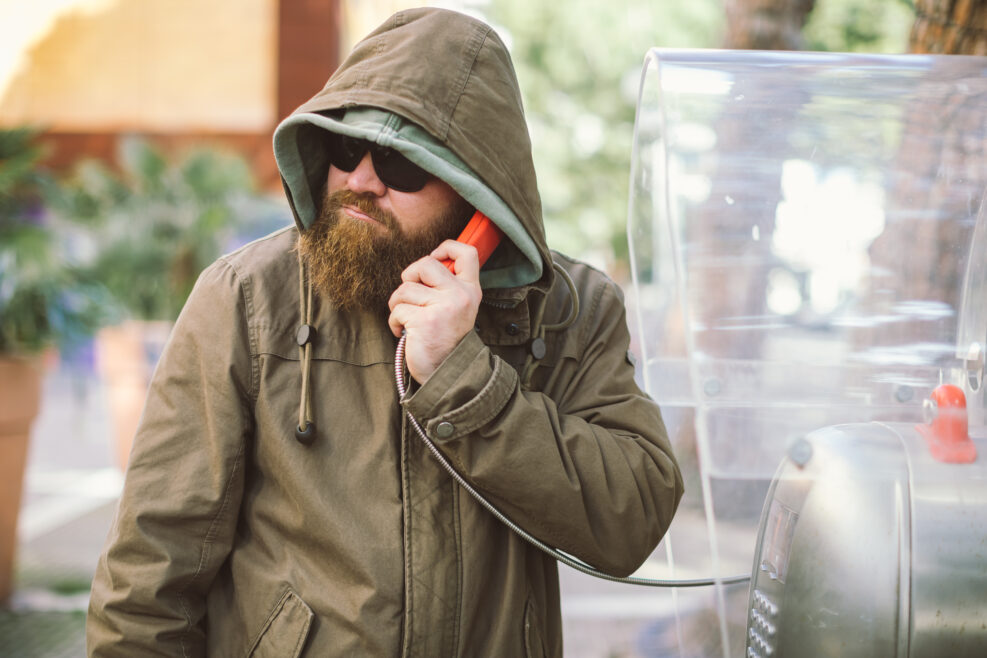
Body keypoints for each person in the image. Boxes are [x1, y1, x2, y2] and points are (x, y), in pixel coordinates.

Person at [86, 8, 683, 657]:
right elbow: (149, 575)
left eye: (401, 164)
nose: (360, 181)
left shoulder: (570, 308)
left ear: (477, 192)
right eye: (345, 148)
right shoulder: (247, 298)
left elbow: (633, 523)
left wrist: (465, 377)